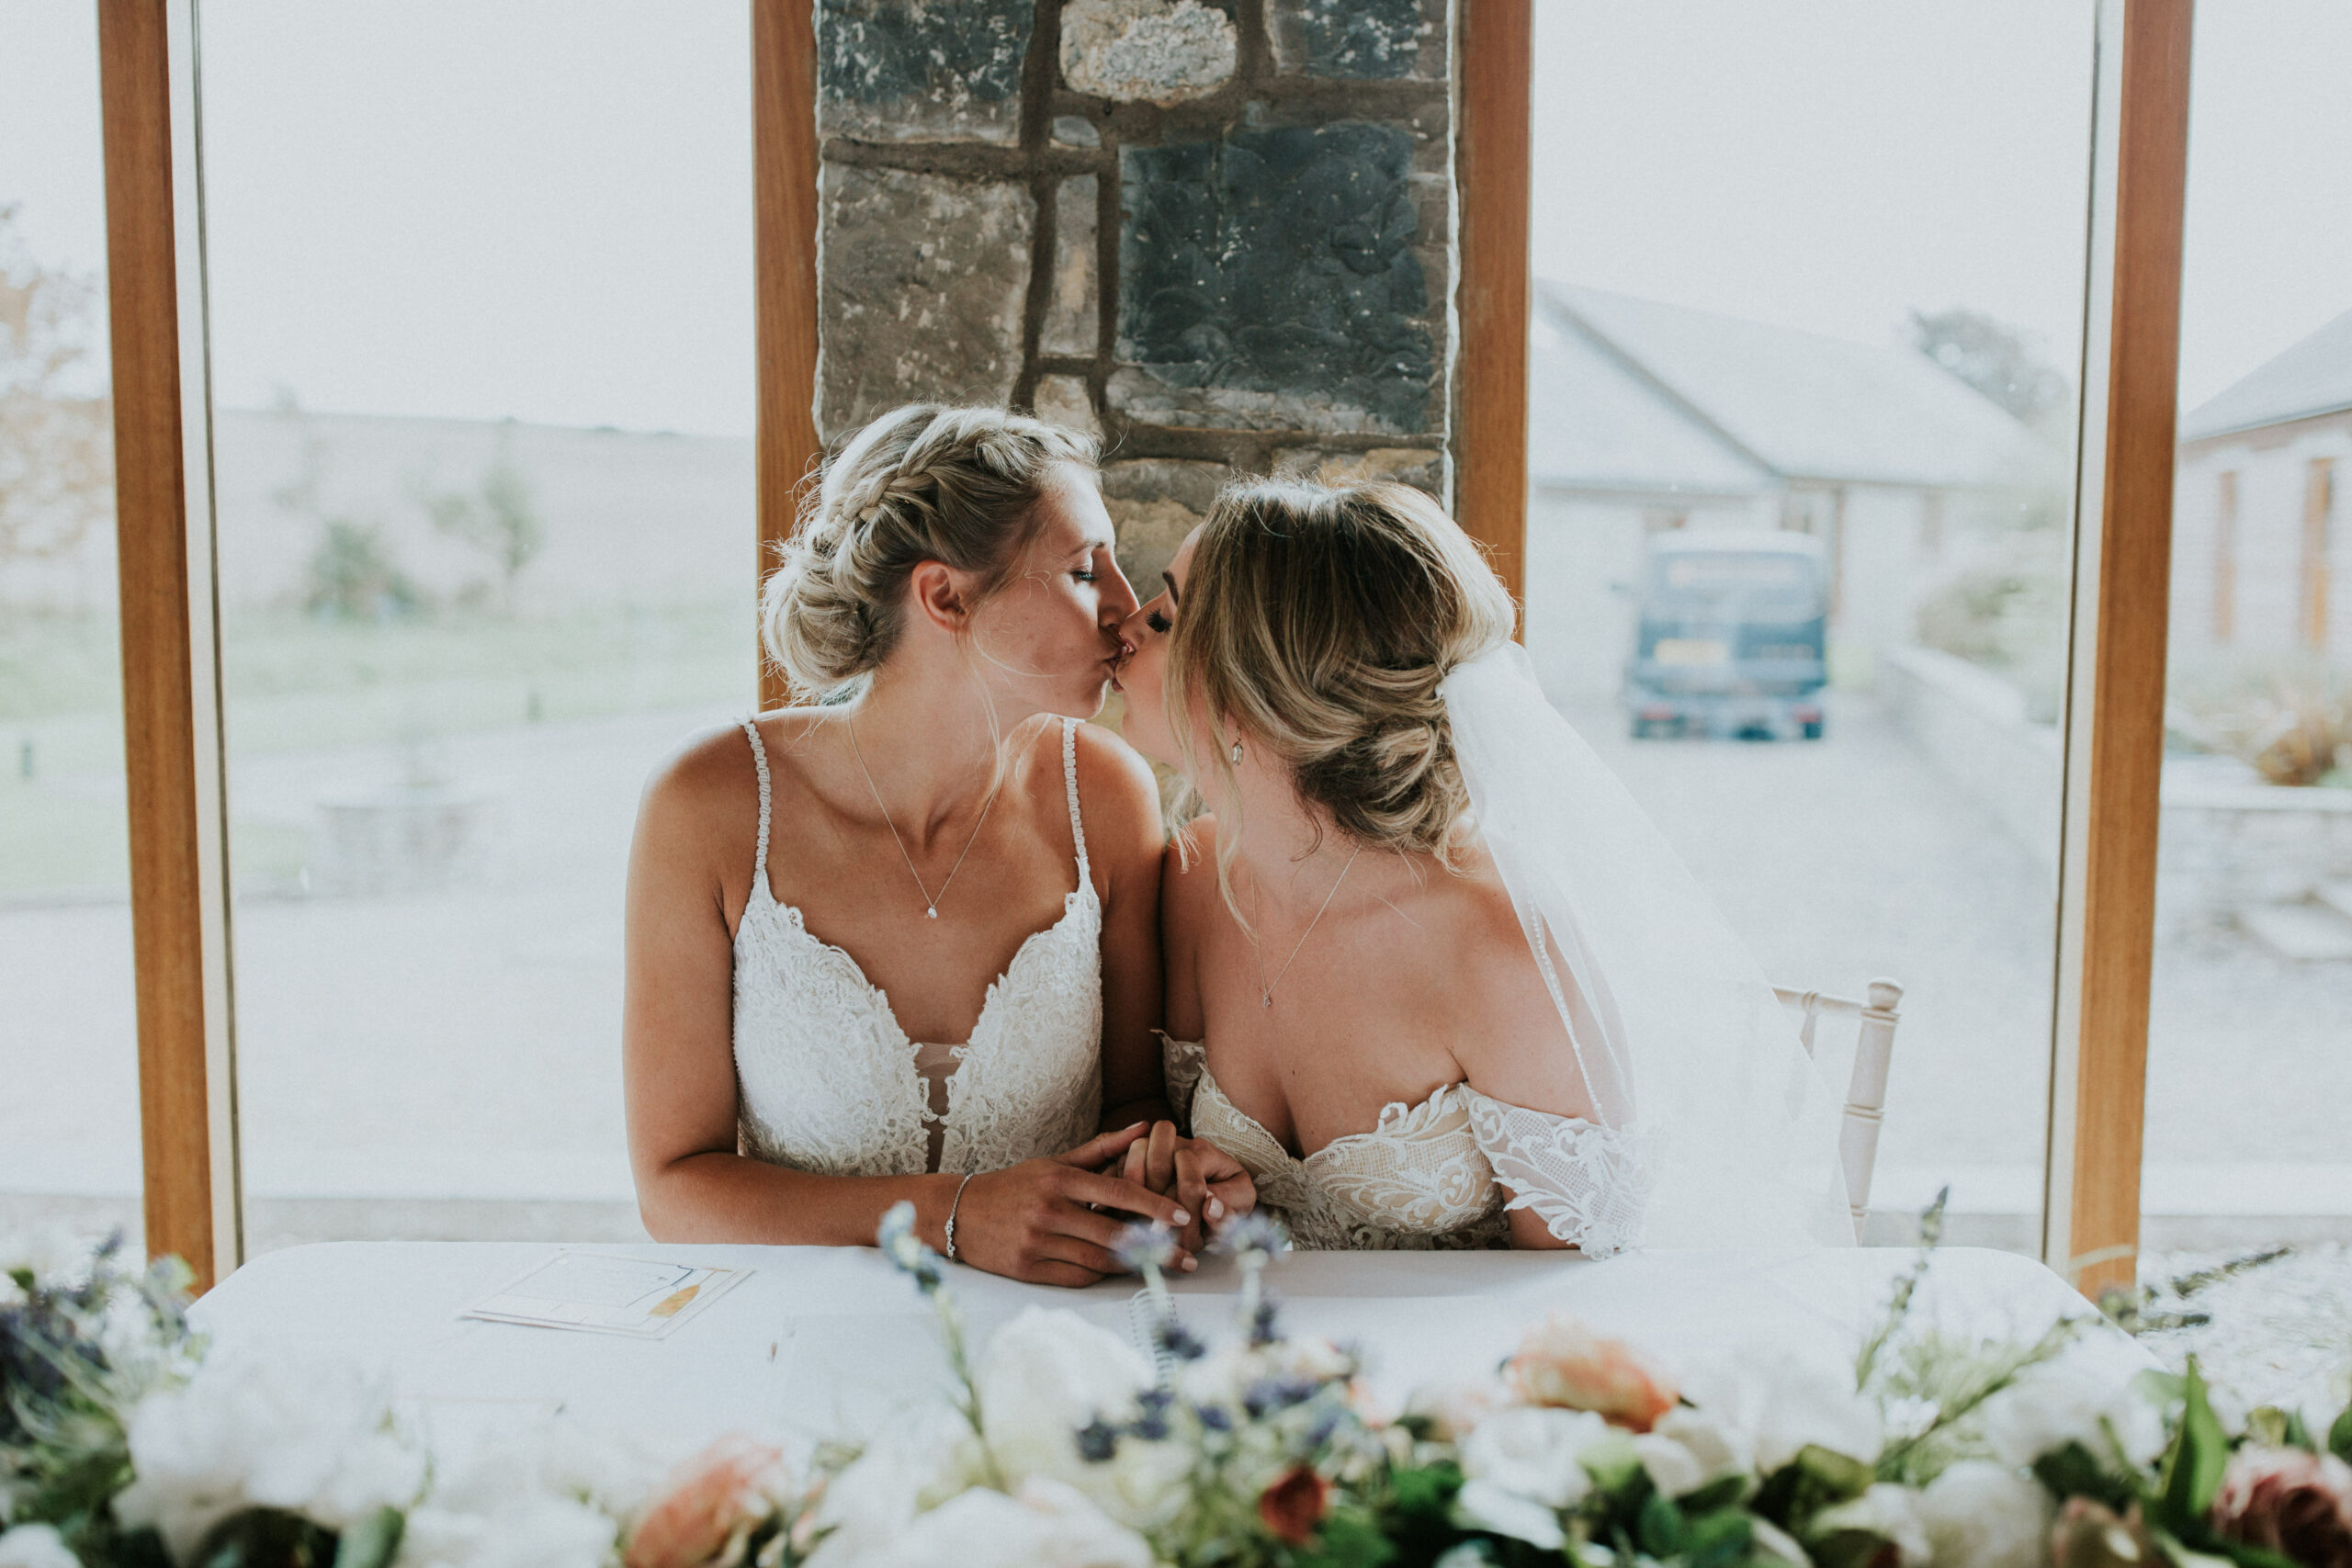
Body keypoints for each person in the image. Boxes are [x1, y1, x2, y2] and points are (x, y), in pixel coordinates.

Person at [1113, 477, 1851, 1254]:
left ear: (1258, 690)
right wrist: (1196, 1185)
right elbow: (1200, 1182)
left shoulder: (1494, 939)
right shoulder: (1196, 876)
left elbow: (1583, 1282)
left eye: (1164, 617)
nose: (1124, 630)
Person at [625, 404, 1250, 1286]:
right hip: (795, 1335)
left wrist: (1159, 1167)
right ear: (945, 596)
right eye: (1081, 570)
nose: (1125, 606)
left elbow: (1133, 1102)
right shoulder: (709, 805)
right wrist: (952, 1216)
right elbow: (673, 1190)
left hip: (1060, 1323)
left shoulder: (1106, 797)